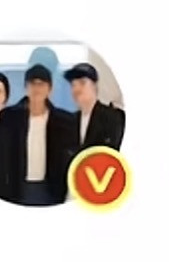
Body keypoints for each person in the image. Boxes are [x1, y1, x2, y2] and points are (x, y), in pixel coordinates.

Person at [0, 64, 76, 206]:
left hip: (51, 189)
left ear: (50, 89)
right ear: (25, 88)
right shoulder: (9, 118)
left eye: (41, 84)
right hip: (15, 188)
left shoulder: (65, 121)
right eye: (32, 84)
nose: (37, 88)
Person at [64, 62, 125, 152]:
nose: (76, 89)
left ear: (94, 86)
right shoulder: (69, 122)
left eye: (82, 83)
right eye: (73, 85)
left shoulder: (112, 117)